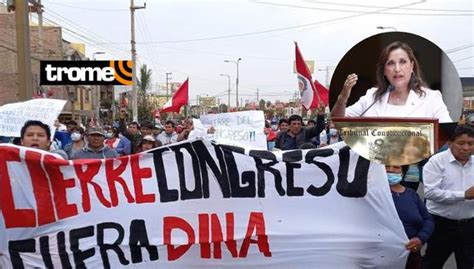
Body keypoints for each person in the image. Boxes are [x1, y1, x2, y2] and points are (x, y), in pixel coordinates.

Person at [331, 41, 452, 123]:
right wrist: (343, 97)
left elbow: (445, 134)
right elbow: (337, 120)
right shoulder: (371, 97)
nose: (397, 69)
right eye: (390, 63)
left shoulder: (431, 98)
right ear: (384, 70)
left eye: (403, 62)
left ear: (412, 66)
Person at [422, 125, 474, 269]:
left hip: (469, 224)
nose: (466, 148)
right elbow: (430, 193)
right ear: (450, 143)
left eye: (471, 144)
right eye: (461, 143)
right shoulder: (436, 162)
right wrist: (463, 195)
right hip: (441, 224)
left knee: (467, 263)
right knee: (433, 262)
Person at [386, 165, 434, 269]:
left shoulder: (411, 194)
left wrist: (421, 238)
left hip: (411, 254)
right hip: (383, 256)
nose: (390, 170)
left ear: (402, 172)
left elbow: (428, 219)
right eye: (386, 167)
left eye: (396, 167)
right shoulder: (372, 195)